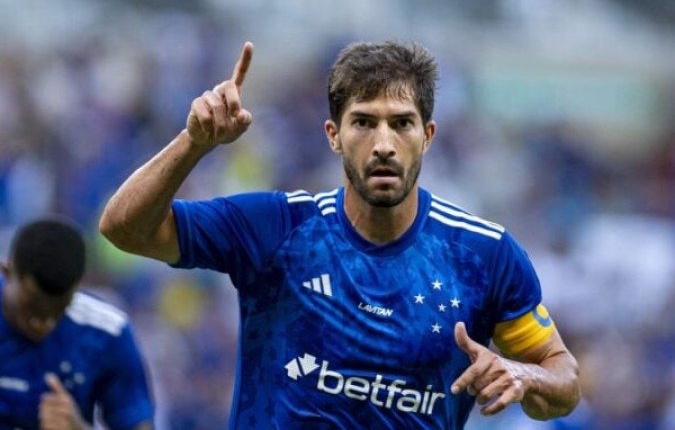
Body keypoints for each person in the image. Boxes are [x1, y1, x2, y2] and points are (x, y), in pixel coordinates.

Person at [99, 40, 580, 429]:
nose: (384, 144)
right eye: (364, 122)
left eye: (402, 123)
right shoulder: (276, 227)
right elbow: (123, 228)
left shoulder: (483, 255)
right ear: (333, 134)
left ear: (428, 136)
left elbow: (564, 381)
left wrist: (523, 375)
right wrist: (193, 143)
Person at [0, 217, 154, 430]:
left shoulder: (107, 332)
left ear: (78, 287)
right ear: (7, 272)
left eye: (59, 309)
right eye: (32, 306)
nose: (44, 323)